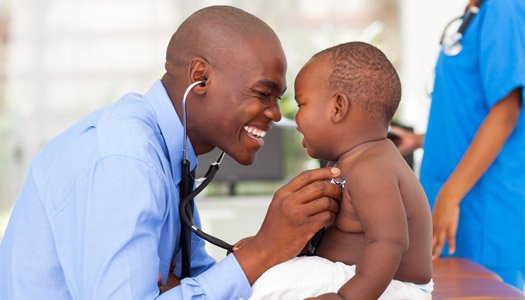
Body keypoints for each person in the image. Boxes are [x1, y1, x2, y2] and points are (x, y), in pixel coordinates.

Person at [0, 6, 343, 299]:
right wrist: (264, 249)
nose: (274, 113)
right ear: (200, 78)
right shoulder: (124, 161)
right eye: (263, 93)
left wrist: (275, 252)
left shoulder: (170, 155)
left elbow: (194, 282)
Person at [248, 42, 433, 300]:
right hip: (363, 279)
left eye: (301, 105)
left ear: (337, 108)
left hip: (390, 287)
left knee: (270, 286)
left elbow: (390, 244)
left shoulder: (372, 169)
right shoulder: (350, 161)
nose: (294, 119)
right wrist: (266, 250)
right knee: (265, 275)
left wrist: (347, 297)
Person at [391, 0, 524, 290]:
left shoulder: (503, 7)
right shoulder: (476, 13)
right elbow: (470, 114)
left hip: (481, 207)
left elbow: (506, 111)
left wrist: (450, 196)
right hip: (455, 202)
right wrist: (418, 140)